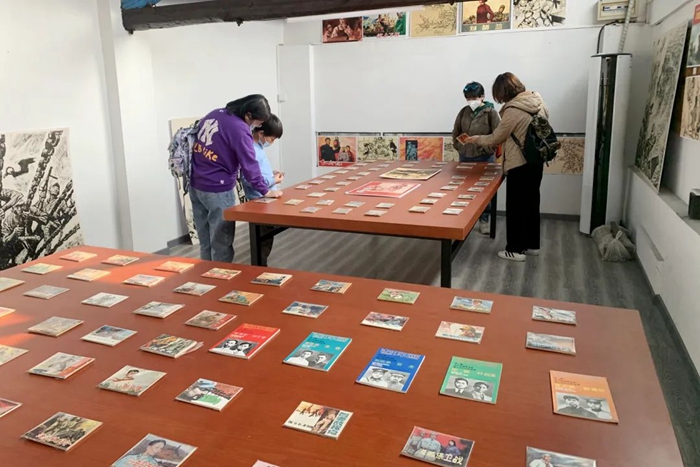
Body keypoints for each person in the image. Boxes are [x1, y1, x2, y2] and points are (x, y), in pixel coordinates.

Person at [464, 73, 548, 261]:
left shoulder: (513, 110)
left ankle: (516, 250)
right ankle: (532, 245)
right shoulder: (537, 102)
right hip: (536, 160)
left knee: (516, 208)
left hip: (519, 164)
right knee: (532, 204)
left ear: (503, 91)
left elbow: (496, 137)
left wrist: (476, 139)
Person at [189, 94, 282, 263]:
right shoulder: (239, 128)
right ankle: (221, 275)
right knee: (221, 242)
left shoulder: (214, 114)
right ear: (248, 115)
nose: (257, 126)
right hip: (218, 188)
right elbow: (250, 164)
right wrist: (265, 190)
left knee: (205, 240)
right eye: (258, 122)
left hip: (196, 183)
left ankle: (206, 274)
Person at [452, 81, 501, 235]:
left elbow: (497, 136)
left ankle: (484, 220)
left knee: (484, 192)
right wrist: (460, 146)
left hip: (484, 158)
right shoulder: (463, 112)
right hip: (465, 156)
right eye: (468, 98)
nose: (471, 101)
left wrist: (486, 148)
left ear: (482, 96)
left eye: (474, 98)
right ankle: (465, 220)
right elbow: (456, 132)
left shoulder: (491, 113)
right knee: (464, 190)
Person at [241, 115, 285, 266]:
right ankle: (260, 268)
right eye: (271, 139)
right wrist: (273, 180)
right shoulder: (250, 149)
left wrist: (271, 174)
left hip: (267, 199)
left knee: (267, 238)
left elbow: (258, 173)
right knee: (263, 241)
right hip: (258, 201)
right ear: (261, 133)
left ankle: (261, 266)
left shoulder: (258, 147)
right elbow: (249, 179)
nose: (271, 143)